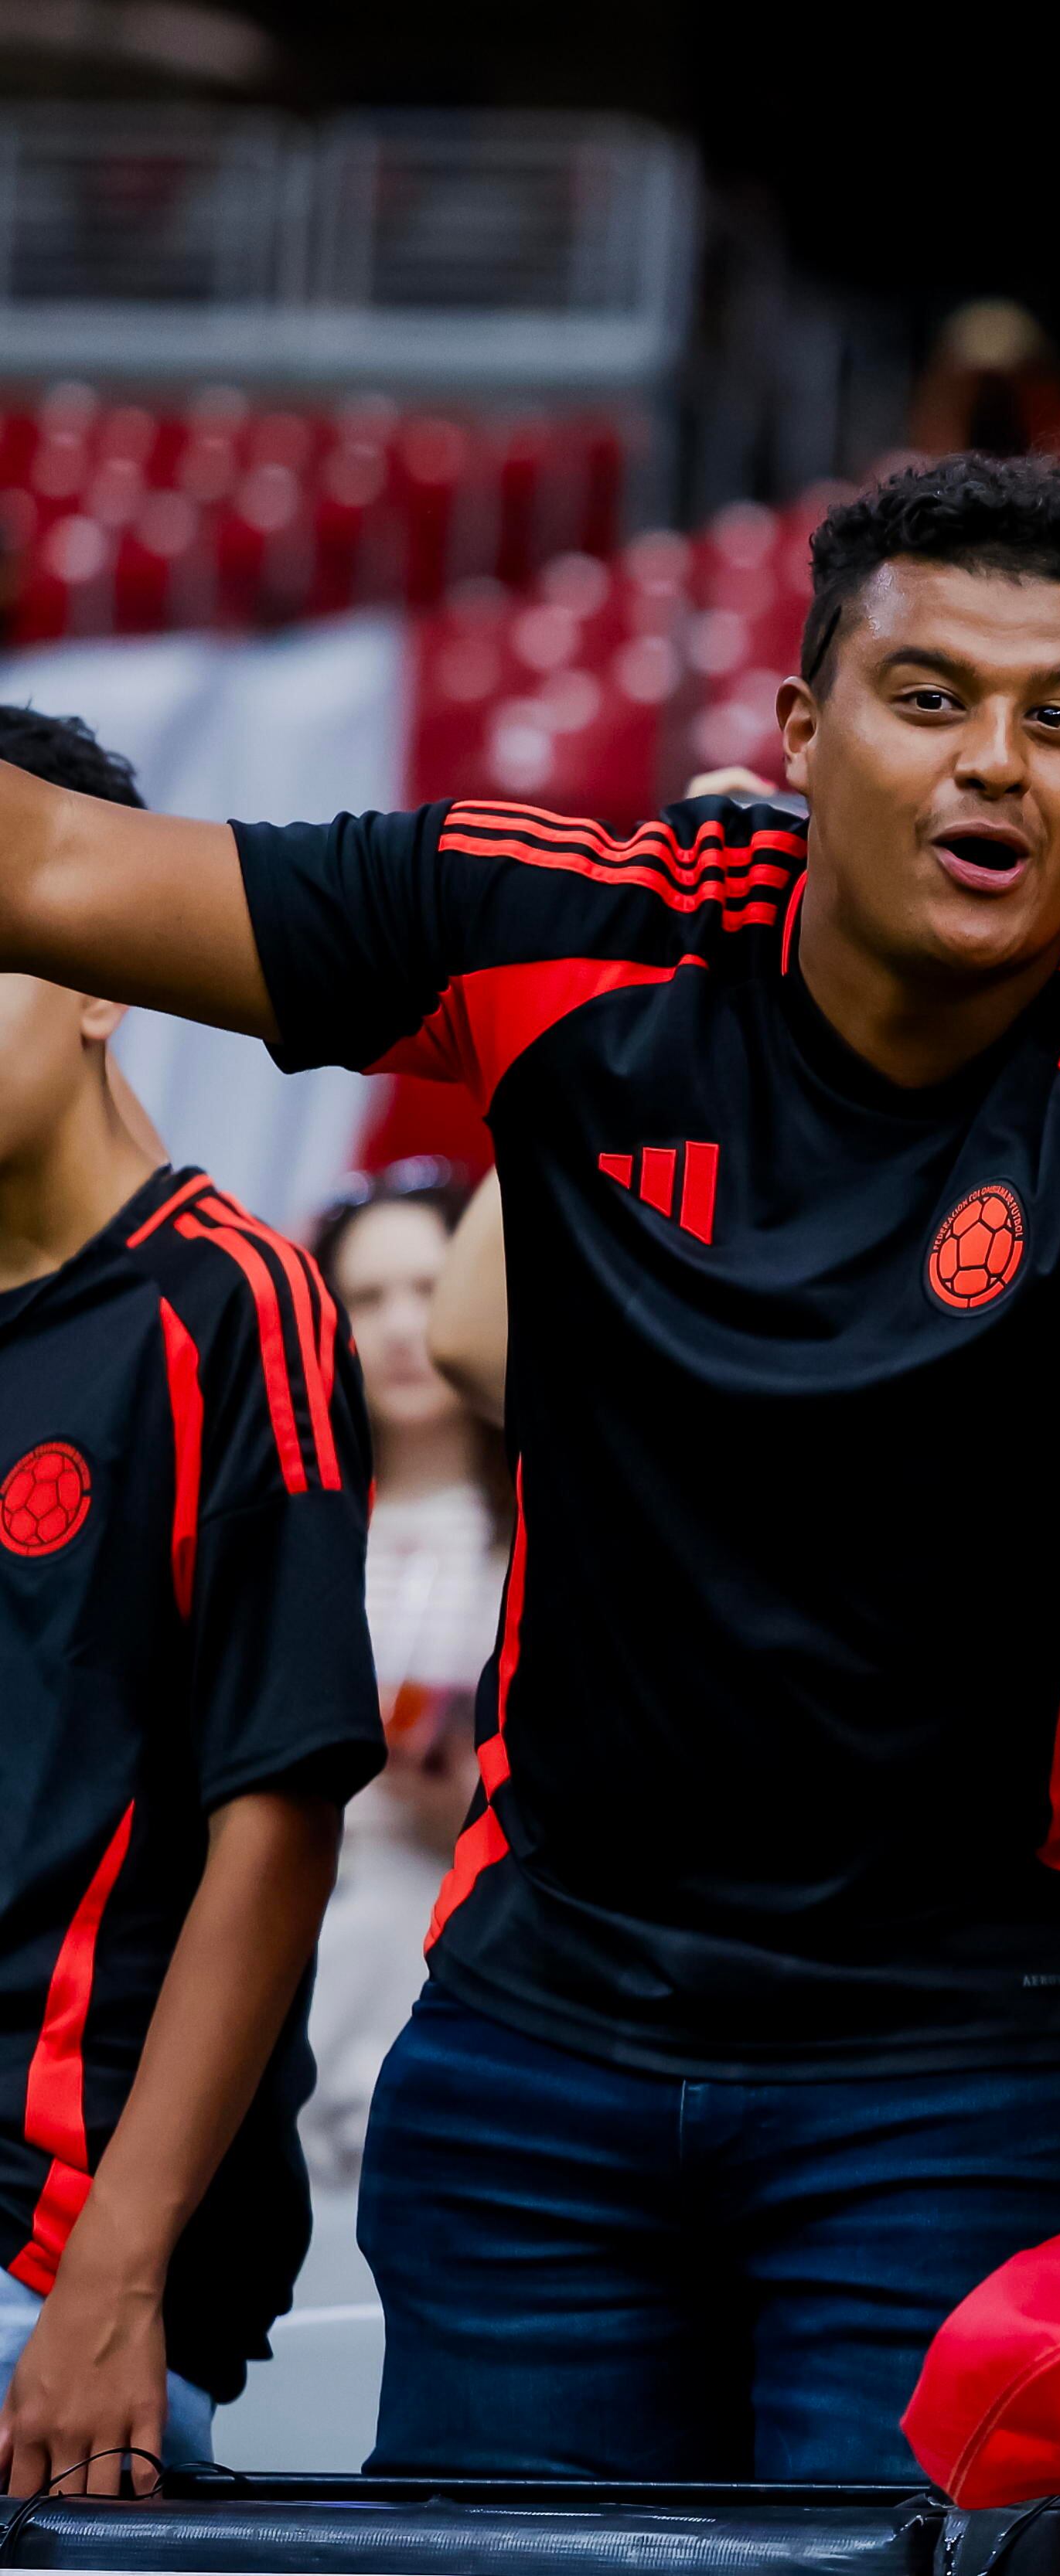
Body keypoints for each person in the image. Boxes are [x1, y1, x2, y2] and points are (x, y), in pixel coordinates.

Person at [0, 452, 1060, 2480]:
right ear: (803, 737)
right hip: (541, 2045)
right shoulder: (584, 931)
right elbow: (46, 870)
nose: (996, 762)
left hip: (968, 2079)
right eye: (930, 698)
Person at [0, 704, 383, 2496]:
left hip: (49, 2281)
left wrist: (111, 2271)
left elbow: (277, 1820)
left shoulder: (237, 1305)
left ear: (94, 971)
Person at [297, 1164, 504, 2193]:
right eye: (365, 1299)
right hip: (305, 1983)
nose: (399, 1326)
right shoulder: (294, 1535)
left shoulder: (560, 1525)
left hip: (492, 1987)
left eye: (428, 1288)